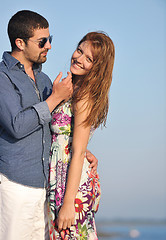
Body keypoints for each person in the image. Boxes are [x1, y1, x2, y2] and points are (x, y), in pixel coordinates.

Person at [0, 10, 98, 240]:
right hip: (16, 185)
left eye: (50, 39)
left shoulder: (44, 80)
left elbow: (51, 126)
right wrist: (54, 98)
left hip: (45, 190)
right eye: (43, 41)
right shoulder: (2, 78)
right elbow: (17, 125)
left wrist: (81, 149)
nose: (49, 46)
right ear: (20, 43)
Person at [48, 31, 115, 239]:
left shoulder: (84, 96)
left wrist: (69, 204)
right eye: (79, 50)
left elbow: (76, 153)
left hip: (70, 186)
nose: (79, 59)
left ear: (97, 68)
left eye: (89, 59)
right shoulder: (72, 88)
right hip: (62, 176)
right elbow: (72, 138)